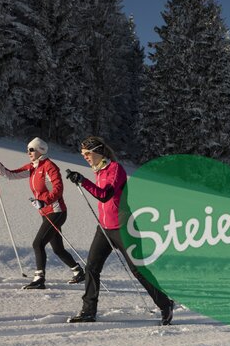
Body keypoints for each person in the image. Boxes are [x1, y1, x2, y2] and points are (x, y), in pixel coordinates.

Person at [64, 136, 175, 325]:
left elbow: (105, 195)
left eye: (87, 153)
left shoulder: (115, 169)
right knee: (91, 268)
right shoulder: (99, 171)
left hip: (124, 228)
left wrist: (83, 181)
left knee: (138, 270)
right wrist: (82, 180)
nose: (85, 157)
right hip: (104, 228)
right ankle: (88, 311)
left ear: (98, 151)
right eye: (82, 155)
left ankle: (165, 305)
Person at [0, 138, 85, 289]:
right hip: (45, 212)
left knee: (38, 243)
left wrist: (45, 201)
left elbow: (58, 189)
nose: (28, 152)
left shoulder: (49, 166)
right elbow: (11, 175)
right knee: (58, 248)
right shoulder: (33, 167)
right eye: (28, 149)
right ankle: (78, 272)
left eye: (31, 149)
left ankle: (39, 278)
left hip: (56, 211)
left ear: (41, 150)